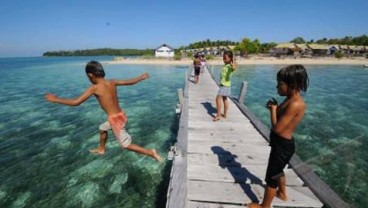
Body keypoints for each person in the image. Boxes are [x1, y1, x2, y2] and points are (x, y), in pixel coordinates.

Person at [45, 61, 162, 162]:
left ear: (90, 75)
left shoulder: (94, 88)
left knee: (126, 145)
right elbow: (129, 82)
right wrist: (141, 77)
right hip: (121, 115)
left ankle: (151, 152)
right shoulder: (111, 82)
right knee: (102, 128)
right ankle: (101, 148)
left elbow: (76, 102)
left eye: (87, 76)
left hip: (115, 120)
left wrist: (55, 99)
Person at [248, 64, 309, 208]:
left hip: (282, 145)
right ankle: (282, 193)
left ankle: (265, 206)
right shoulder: (289, 98)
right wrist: (275, 107)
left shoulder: (295, 104)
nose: (277, 87)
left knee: (272, 176)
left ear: (293, 85)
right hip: (280, 144)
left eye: (280, 84)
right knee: (278, 170)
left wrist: (273, 110)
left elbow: (278, 129)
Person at [213, 50, 237, 121]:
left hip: (225, 85)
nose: (223, 59)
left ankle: (218, 115)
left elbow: (234, 68)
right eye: (223, 58)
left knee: (217, 98)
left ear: (230, 58)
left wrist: (233, 62)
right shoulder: (226, 65)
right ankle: (225, 114)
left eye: (225, 58)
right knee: (224, 99)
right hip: (225, 85)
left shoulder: (230, 66)